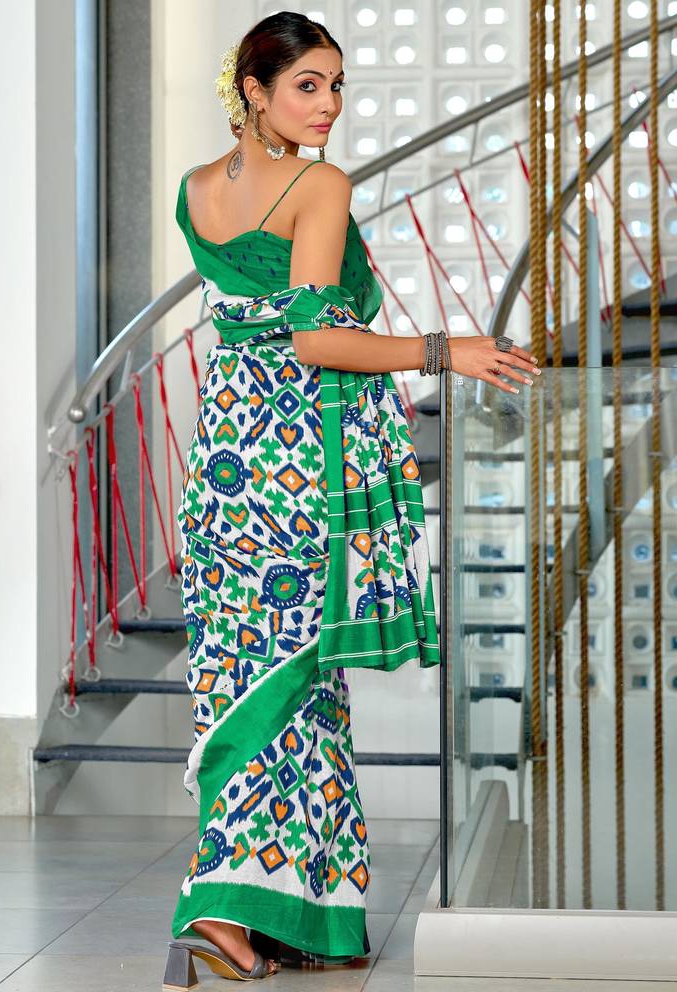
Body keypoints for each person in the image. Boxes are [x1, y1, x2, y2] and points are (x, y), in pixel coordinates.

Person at [163, 11, 540, 988]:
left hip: (226, 457)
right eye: (307, 85)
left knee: (256, 678)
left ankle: (301, 917)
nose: (328, 104)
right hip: (295, 457)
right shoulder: (318, 185)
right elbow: (314, 340)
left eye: (337, 85)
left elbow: (249, 324)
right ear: (253, 90)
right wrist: (446, 349)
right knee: (289, 681)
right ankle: (218, 906)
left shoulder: (195, 190)